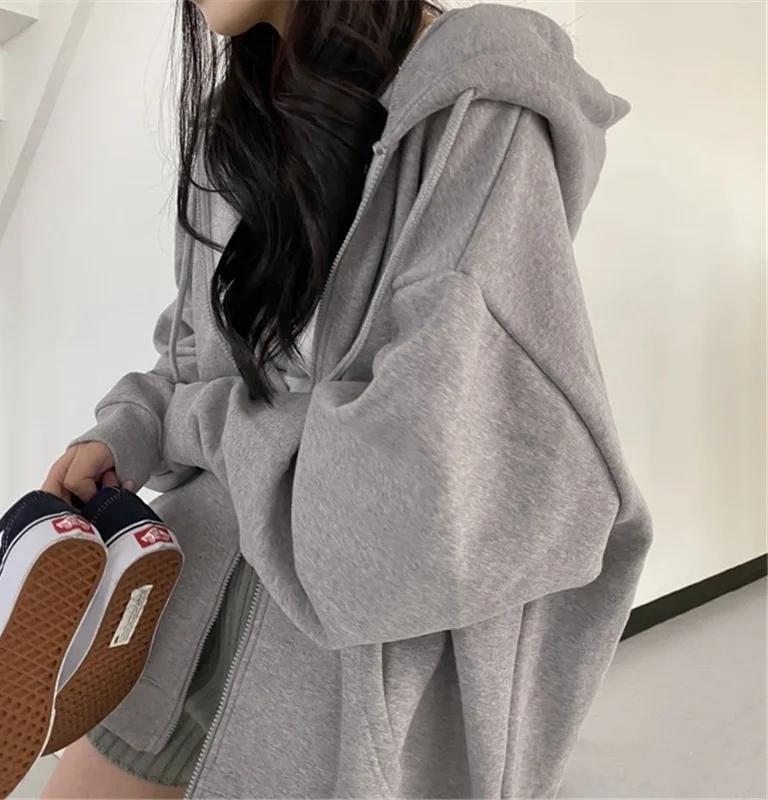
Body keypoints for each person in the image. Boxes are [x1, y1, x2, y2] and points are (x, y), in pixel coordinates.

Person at [41, 1, 652, 798]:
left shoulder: (479, 100)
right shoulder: (235, 125)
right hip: (188, 600)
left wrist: (189, 423)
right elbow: (190, 353)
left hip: (349, 660)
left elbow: (416, 473)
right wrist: (133, 427)